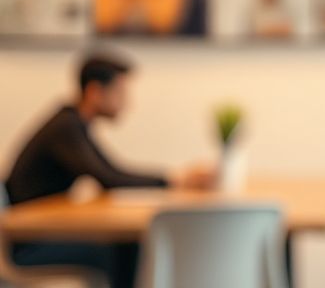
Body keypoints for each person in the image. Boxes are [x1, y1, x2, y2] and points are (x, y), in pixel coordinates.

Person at [4, 51, 214, 288]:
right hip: (26, 244)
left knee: (125, 246)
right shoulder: (66, 128)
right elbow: (110, 178)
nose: (127, 102)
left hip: (38, 235)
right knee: (122, 250)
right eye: (120, 93)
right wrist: (175, 180)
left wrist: (173, 179)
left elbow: (109, 172)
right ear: (95, 92)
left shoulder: (73, 123)